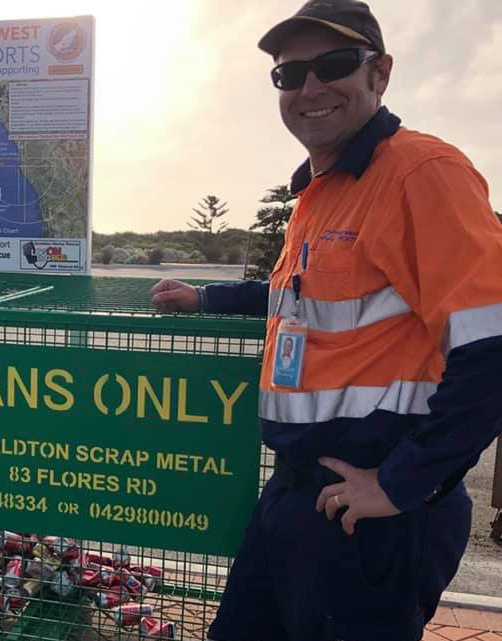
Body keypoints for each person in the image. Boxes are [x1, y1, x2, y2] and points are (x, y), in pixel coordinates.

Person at [150, 1, 502, 639]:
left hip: (369, 515)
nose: (310, 87)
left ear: (380, 73)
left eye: (334, 65)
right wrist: (207, 299)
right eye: (290, 75)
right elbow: (299, 293)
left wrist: (401, 484)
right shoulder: (323, 190)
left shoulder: (422, 175)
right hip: (297, 495)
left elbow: (494, 348)